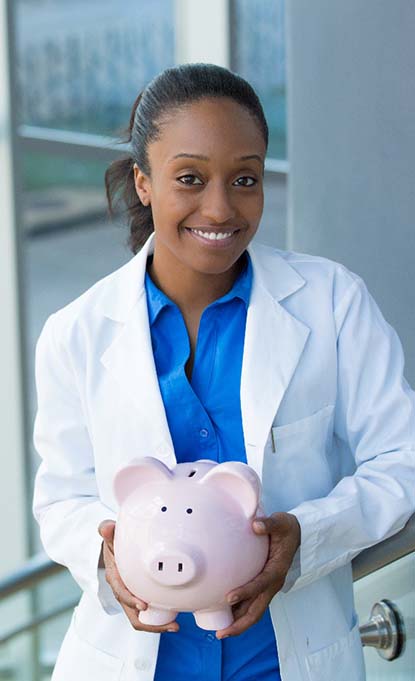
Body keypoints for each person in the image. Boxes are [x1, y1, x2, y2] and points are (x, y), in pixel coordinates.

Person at [32, 63, 415, 681]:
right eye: (190, 177)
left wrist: (305, 537)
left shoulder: (332, 301)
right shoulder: (75, 332)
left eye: (245, 178)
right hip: (132, 662)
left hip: (286, 660)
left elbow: (404, 457)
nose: (221, 207)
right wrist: (106, 558)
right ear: (144, 181)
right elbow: (61, 499)